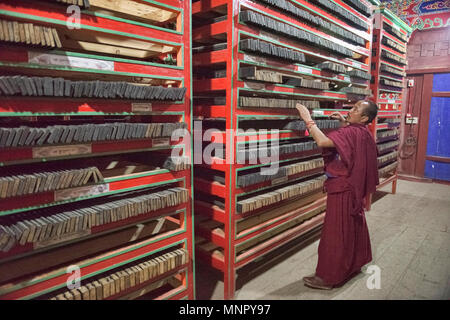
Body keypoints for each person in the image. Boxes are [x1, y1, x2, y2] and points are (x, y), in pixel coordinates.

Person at [295, 100, 379, 290]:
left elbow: (323, 141)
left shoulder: (350, 132)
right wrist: (345, 123)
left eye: (355, 109)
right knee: (351, 227)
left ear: (364, 117)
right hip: (354, 189)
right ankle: (353, 265)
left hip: (342, 189)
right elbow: (353, 145)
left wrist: (308, 120)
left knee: (335, 234)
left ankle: (328, 277)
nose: (350, 111)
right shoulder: (363, 132)